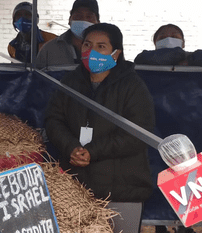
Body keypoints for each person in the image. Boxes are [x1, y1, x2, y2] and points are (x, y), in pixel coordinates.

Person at [45, 23, 155, 233]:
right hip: (75, 189)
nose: (91, 52)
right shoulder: (70, 82)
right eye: (87, 45)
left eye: (101, 46)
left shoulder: (133, 86)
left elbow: (138, 133)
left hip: (122, 192)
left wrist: (93, 152)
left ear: (116, 54)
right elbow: (53, 120)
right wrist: (71, 148)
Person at [35, 0, 100, 68]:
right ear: (69, 20)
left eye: (89, 17)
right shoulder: (49, 49)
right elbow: (37, 76)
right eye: (78, 16)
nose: (84, 20)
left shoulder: (106, 50)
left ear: (98, 22)